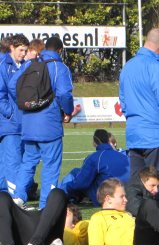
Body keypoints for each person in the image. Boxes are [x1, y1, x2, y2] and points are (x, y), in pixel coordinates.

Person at [9, 36, 73, 209]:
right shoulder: (60, 67)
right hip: (49, 125)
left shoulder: (30, 63)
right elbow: (64, 94)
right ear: (60, 50)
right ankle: (46, 205)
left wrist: (27, 104)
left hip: (29, 123)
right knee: (51, 165)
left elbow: (13, 84)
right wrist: (67, 111)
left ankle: (18, 198)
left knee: (28, 162)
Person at [119, 28, 159, 208]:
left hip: (135, 134)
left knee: (137, 183)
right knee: (157, 183)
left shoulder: (128, 66)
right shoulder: (156, 68)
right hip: (156, 135)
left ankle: (136, 223)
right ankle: (155, 223)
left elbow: (123, 102)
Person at [59, 129, 130, 206]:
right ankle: (74, 196)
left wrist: (66, 187)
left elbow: (81, 183)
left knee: (76, 172)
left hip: (106, 198)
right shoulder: (123, 156)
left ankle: (59, 193)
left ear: (94, 142)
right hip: (125, 195)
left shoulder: (95, 157)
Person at [0, 34, 28, 196]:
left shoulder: (24, 65)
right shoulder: (4, 65)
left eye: (25, 50)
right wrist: (10, 114)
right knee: (13, 163)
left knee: (7, 163)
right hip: (10, 124)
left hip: (22, 123)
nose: (23, 53)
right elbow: (0, 94)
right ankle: (15, 200)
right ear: (12, 47)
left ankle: (5, 200)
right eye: (20, 50)